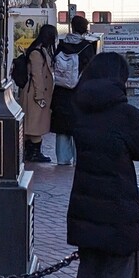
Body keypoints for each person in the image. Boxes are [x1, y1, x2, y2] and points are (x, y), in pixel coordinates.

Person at [67, 51, 139, 278]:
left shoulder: (80, 109)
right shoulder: (126, 114)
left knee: (89, 270)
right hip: (118, 201)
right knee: (118, 273)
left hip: (85, 199)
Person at [51, 16, 97, 166]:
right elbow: (91, 70)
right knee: (79, 126)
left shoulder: (61, 44)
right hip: (79, 91)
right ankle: (80, 159)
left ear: (72, 27)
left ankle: (62, 159)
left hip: (61, 91)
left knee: (62, 127)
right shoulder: (87, 46)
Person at [19, 23, 56, 163]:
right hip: (34, 94)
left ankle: (30, 152)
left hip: (33, 93)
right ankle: (34, 153)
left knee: (33, 123)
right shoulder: (37, 53)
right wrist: (39, 96)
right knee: (35, 124)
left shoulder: (38, 50)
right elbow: (37, 76)